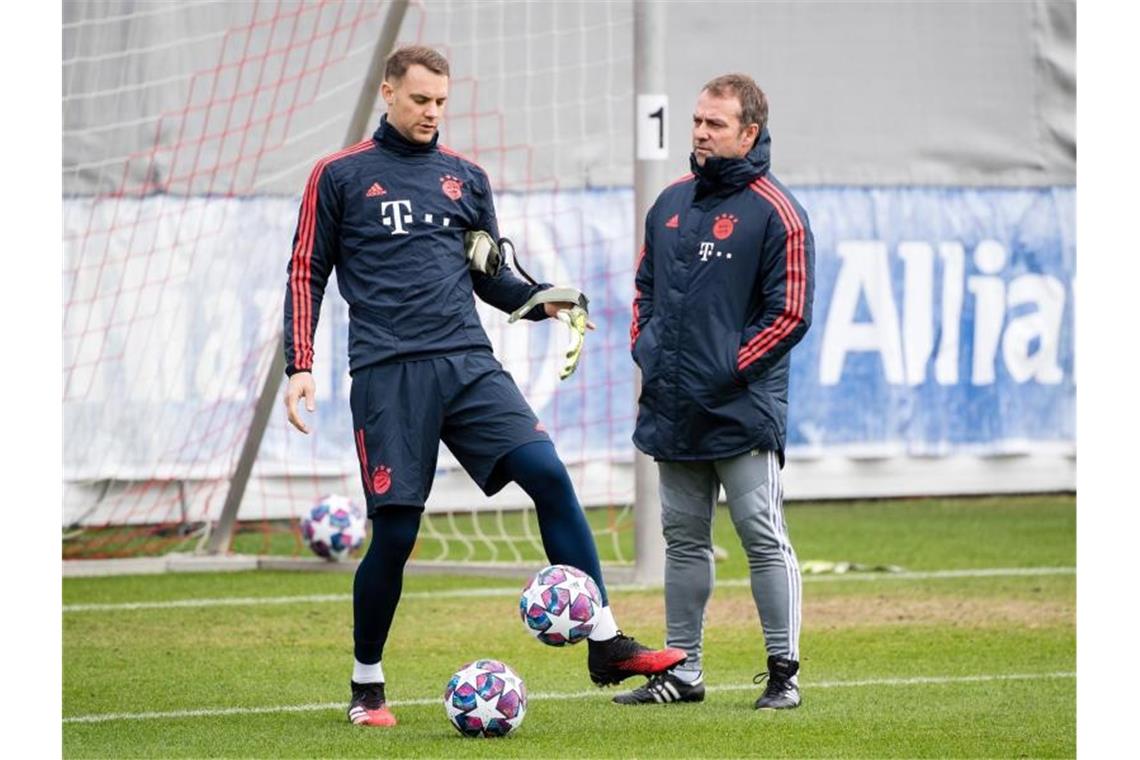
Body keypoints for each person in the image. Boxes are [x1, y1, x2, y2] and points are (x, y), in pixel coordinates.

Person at [282, 45, 685, 728]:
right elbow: (305, 271)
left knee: (549, 474)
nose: (431, 113)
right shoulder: (339, 175)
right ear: (388, 93)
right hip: (389, 375)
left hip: (469, 363)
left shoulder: (465, 178)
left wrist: (542, 300)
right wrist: (300, 363)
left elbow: (491, 277)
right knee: (397, 534)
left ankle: (607, 642)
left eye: (440, 101)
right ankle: (368, 684)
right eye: (419, 100)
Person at [618, 73, 814, 710]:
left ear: (749, 132)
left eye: (715, 123)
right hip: (673, 406)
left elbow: (790, 314)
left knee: (761, 533)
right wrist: (645, 348)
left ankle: (783, 675)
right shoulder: (670, 203)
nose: (700, 132)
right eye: (698, 121)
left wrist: (726, 369)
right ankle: (683, 671)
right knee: (683, 538)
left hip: (740, 408)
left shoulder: (777, 211)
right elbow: (644, 290)